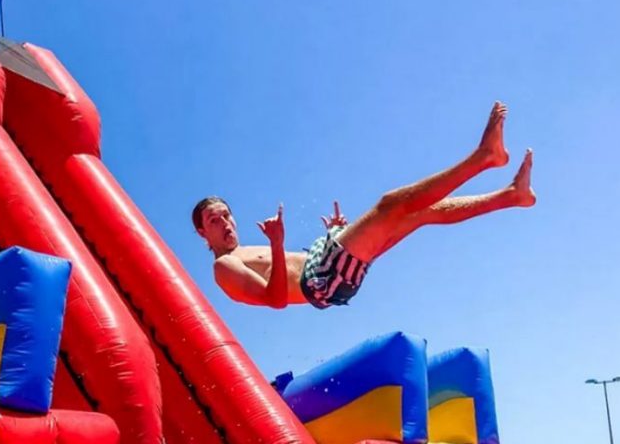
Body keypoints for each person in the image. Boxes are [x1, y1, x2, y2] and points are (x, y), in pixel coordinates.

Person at [192, 101, 535, 310]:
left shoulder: (241, 253)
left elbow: (293, 271)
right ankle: (483, 158)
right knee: (390, 204)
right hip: (322, 279)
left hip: (326, 264)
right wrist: (278, 245)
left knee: (421, 213)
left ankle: (510, 196)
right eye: (213, 220)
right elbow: (277, 299)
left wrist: (333, 235)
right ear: (202, 232)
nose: (225, 222)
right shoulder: (223, 267)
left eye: (226, 214)